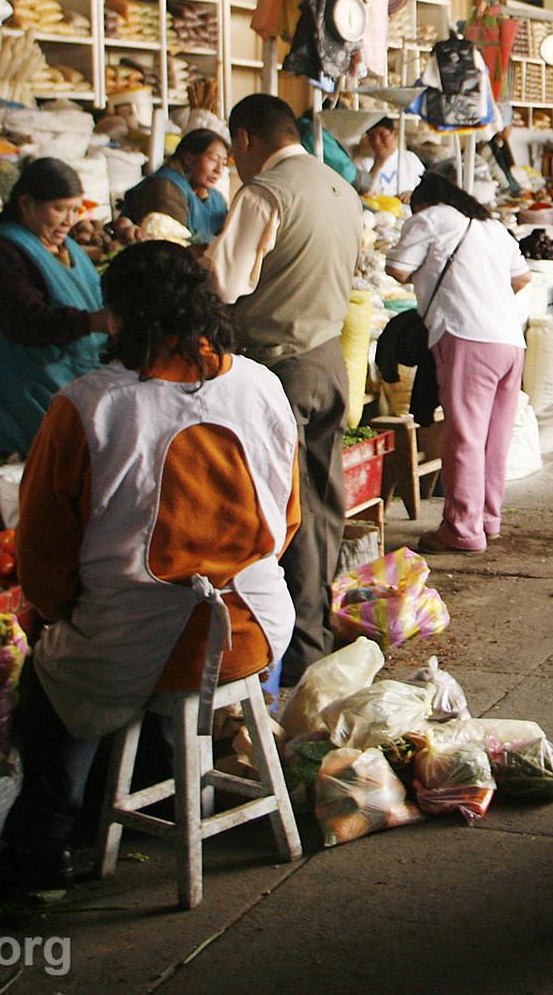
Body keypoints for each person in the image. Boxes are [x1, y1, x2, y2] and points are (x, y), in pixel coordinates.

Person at [3, 241, 299, 881]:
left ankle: (43, 847)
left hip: (136, 639)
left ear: (117, 317)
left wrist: (59, 614)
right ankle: (175, 778)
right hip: (253, 627)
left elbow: (45, 556)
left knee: (53, 678)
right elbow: (288, 515)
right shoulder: (262, 385)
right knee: (138, 656)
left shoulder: (89, 405)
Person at [207, 95, 362, 679]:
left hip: (277, 368)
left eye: (233, 151)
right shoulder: (338, 188)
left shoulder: (265, 193)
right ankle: (312, 646)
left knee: (279, 516)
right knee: (322, 510)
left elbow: (222, 285)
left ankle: (278, 659)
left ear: (245, 139)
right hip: (329, 360)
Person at [386, 174, 533, 554]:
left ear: (423, 201)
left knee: (464, 436)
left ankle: (462, 528)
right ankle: (486, 519)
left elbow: (397, 269)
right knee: (494, 437)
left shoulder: (430, 217)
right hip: (510, 341)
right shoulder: (493, 227)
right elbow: (523, 278)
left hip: (467, 337)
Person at [0, 159, 112, 457]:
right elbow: (27, 322)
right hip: (18, 395)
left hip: (69, 386)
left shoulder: (68, 247)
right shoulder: (0, 253)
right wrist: (96, 322)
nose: (69, 220)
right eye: (59, 208)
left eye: (75, 209)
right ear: (26, 204)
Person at [118, 129, 230, 242]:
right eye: (213, 160)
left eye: (224, 163)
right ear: (188, 159)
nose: (219, 170)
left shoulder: (215, 198)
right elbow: (170, 244)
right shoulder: (166, 188)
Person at [353, 118, 425, 199]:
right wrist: (378, 164)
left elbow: (425, 188)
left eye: (382, 135)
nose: (377, 142)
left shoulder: (410, 159)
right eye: (371, 136)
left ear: (394, 134)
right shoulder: (361, 162)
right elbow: (359, 194)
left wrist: (412, 194)